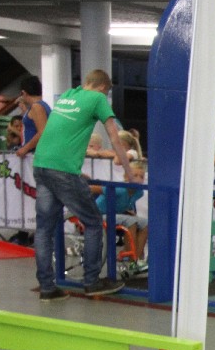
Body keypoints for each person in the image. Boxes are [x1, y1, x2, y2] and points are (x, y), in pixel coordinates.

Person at [32, 68, 133, 301]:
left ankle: (47, 287)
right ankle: (91, 281)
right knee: (94, 222)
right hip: (63, 170)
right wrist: (129, 173)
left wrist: (76, 172)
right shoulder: (97, 98)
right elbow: (115, 137)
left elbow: (63, 133)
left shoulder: (68, 95)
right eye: (106, 93)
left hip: (42, 165)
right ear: (103, 88)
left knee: (44, 229)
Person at [96, 158, 149, 263]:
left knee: (145, 223)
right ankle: (131, 260)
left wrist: (127, 210)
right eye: (135, 176)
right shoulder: (119, 189)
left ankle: (137, 259)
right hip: (99, 214)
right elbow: (94, 188)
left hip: (116, 215)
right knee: (131, 221)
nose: (138, 179)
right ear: (126, 177)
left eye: (141, 177)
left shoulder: (139, 192)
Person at [13, 75, 49, 160]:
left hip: (35, 154)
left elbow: (42, 132)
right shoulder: (41, 105)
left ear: (24, 93)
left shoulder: (37, 107)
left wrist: (25, 148)